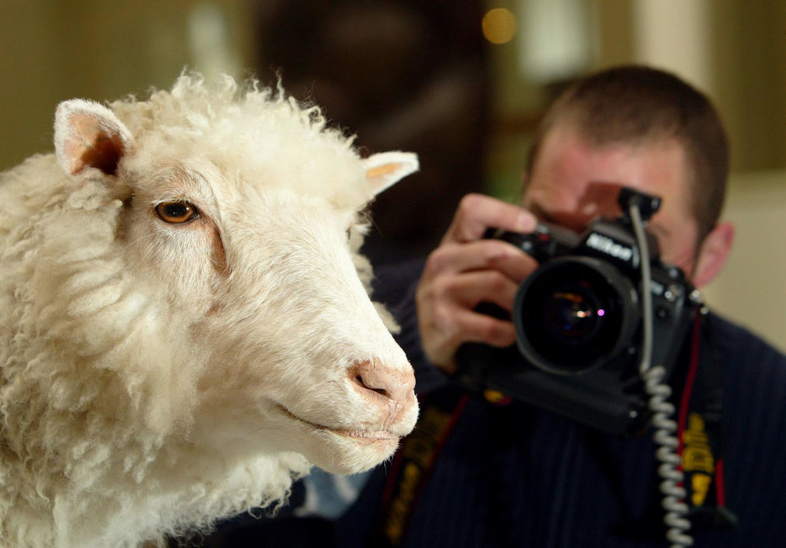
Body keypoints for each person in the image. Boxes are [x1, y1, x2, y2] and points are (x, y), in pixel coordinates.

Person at [329, 65, 786, 547]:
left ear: (709, 256)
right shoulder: (389, 313)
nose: (583, 274)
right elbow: (270, 523)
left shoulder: (765, 403)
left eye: (635, 247)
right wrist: (414, 352)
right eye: (554, 228)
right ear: (520, 198)